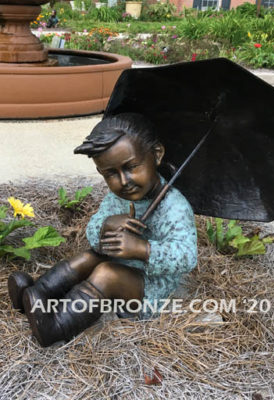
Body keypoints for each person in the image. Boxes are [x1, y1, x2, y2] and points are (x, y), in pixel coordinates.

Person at [8, 113, 198, 347]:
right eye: (111, 173)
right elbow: (93, 233)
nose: (124, 181)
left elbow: (187, 257)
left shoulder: (174, 206)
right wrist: (105, 227)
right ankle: (39, 293)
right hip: (126, 265)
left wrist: (143, 249)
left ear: (156, 155)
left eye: (131, 167)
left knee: (107, 273)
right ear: (101, 172)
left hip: (153, 286)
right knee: (90, 257)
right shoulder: (116, 198)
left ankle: (56, 327)